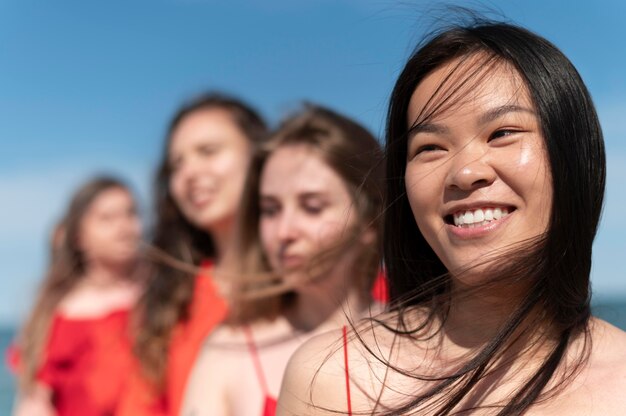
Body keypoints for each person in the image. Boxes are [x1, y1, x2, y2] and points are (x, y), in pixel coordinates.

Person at [278, 20, 626, 415]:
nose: (464, 172)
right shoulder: (330, 377)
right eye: (430, 147)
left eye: (502, 133)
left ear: (575, 157)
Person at [181, 104, 385, 416]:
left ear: (370, 219)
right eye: (271, 210)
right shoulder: (229, 349)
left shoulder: (428, 338)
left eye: (312, 206)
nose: (285, 232)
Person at [117, 92, 268, 416]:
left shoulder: (337, 281)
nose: (189, 173)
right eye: (177, 164)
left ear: (260, 155)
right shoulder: (169, 303)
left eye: (208, 151)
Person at [12, 176, 143, 416]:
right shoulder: (57, 313)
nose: (124, 227)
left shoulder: (162, 296)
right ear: (78, 237)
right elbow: (35, 402)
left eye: (131, 214)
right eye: (107, 218)